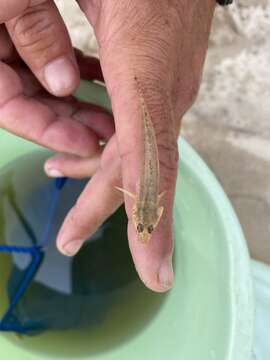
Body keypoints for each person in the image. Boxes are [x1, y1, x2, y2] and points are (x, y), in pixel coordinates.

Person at [0, 0, 216, 292]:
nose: (144, 228)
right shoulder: (147, 206)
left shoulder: (144, 206)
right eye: (146, 227)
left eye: (144, 227)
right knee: (147, 128)